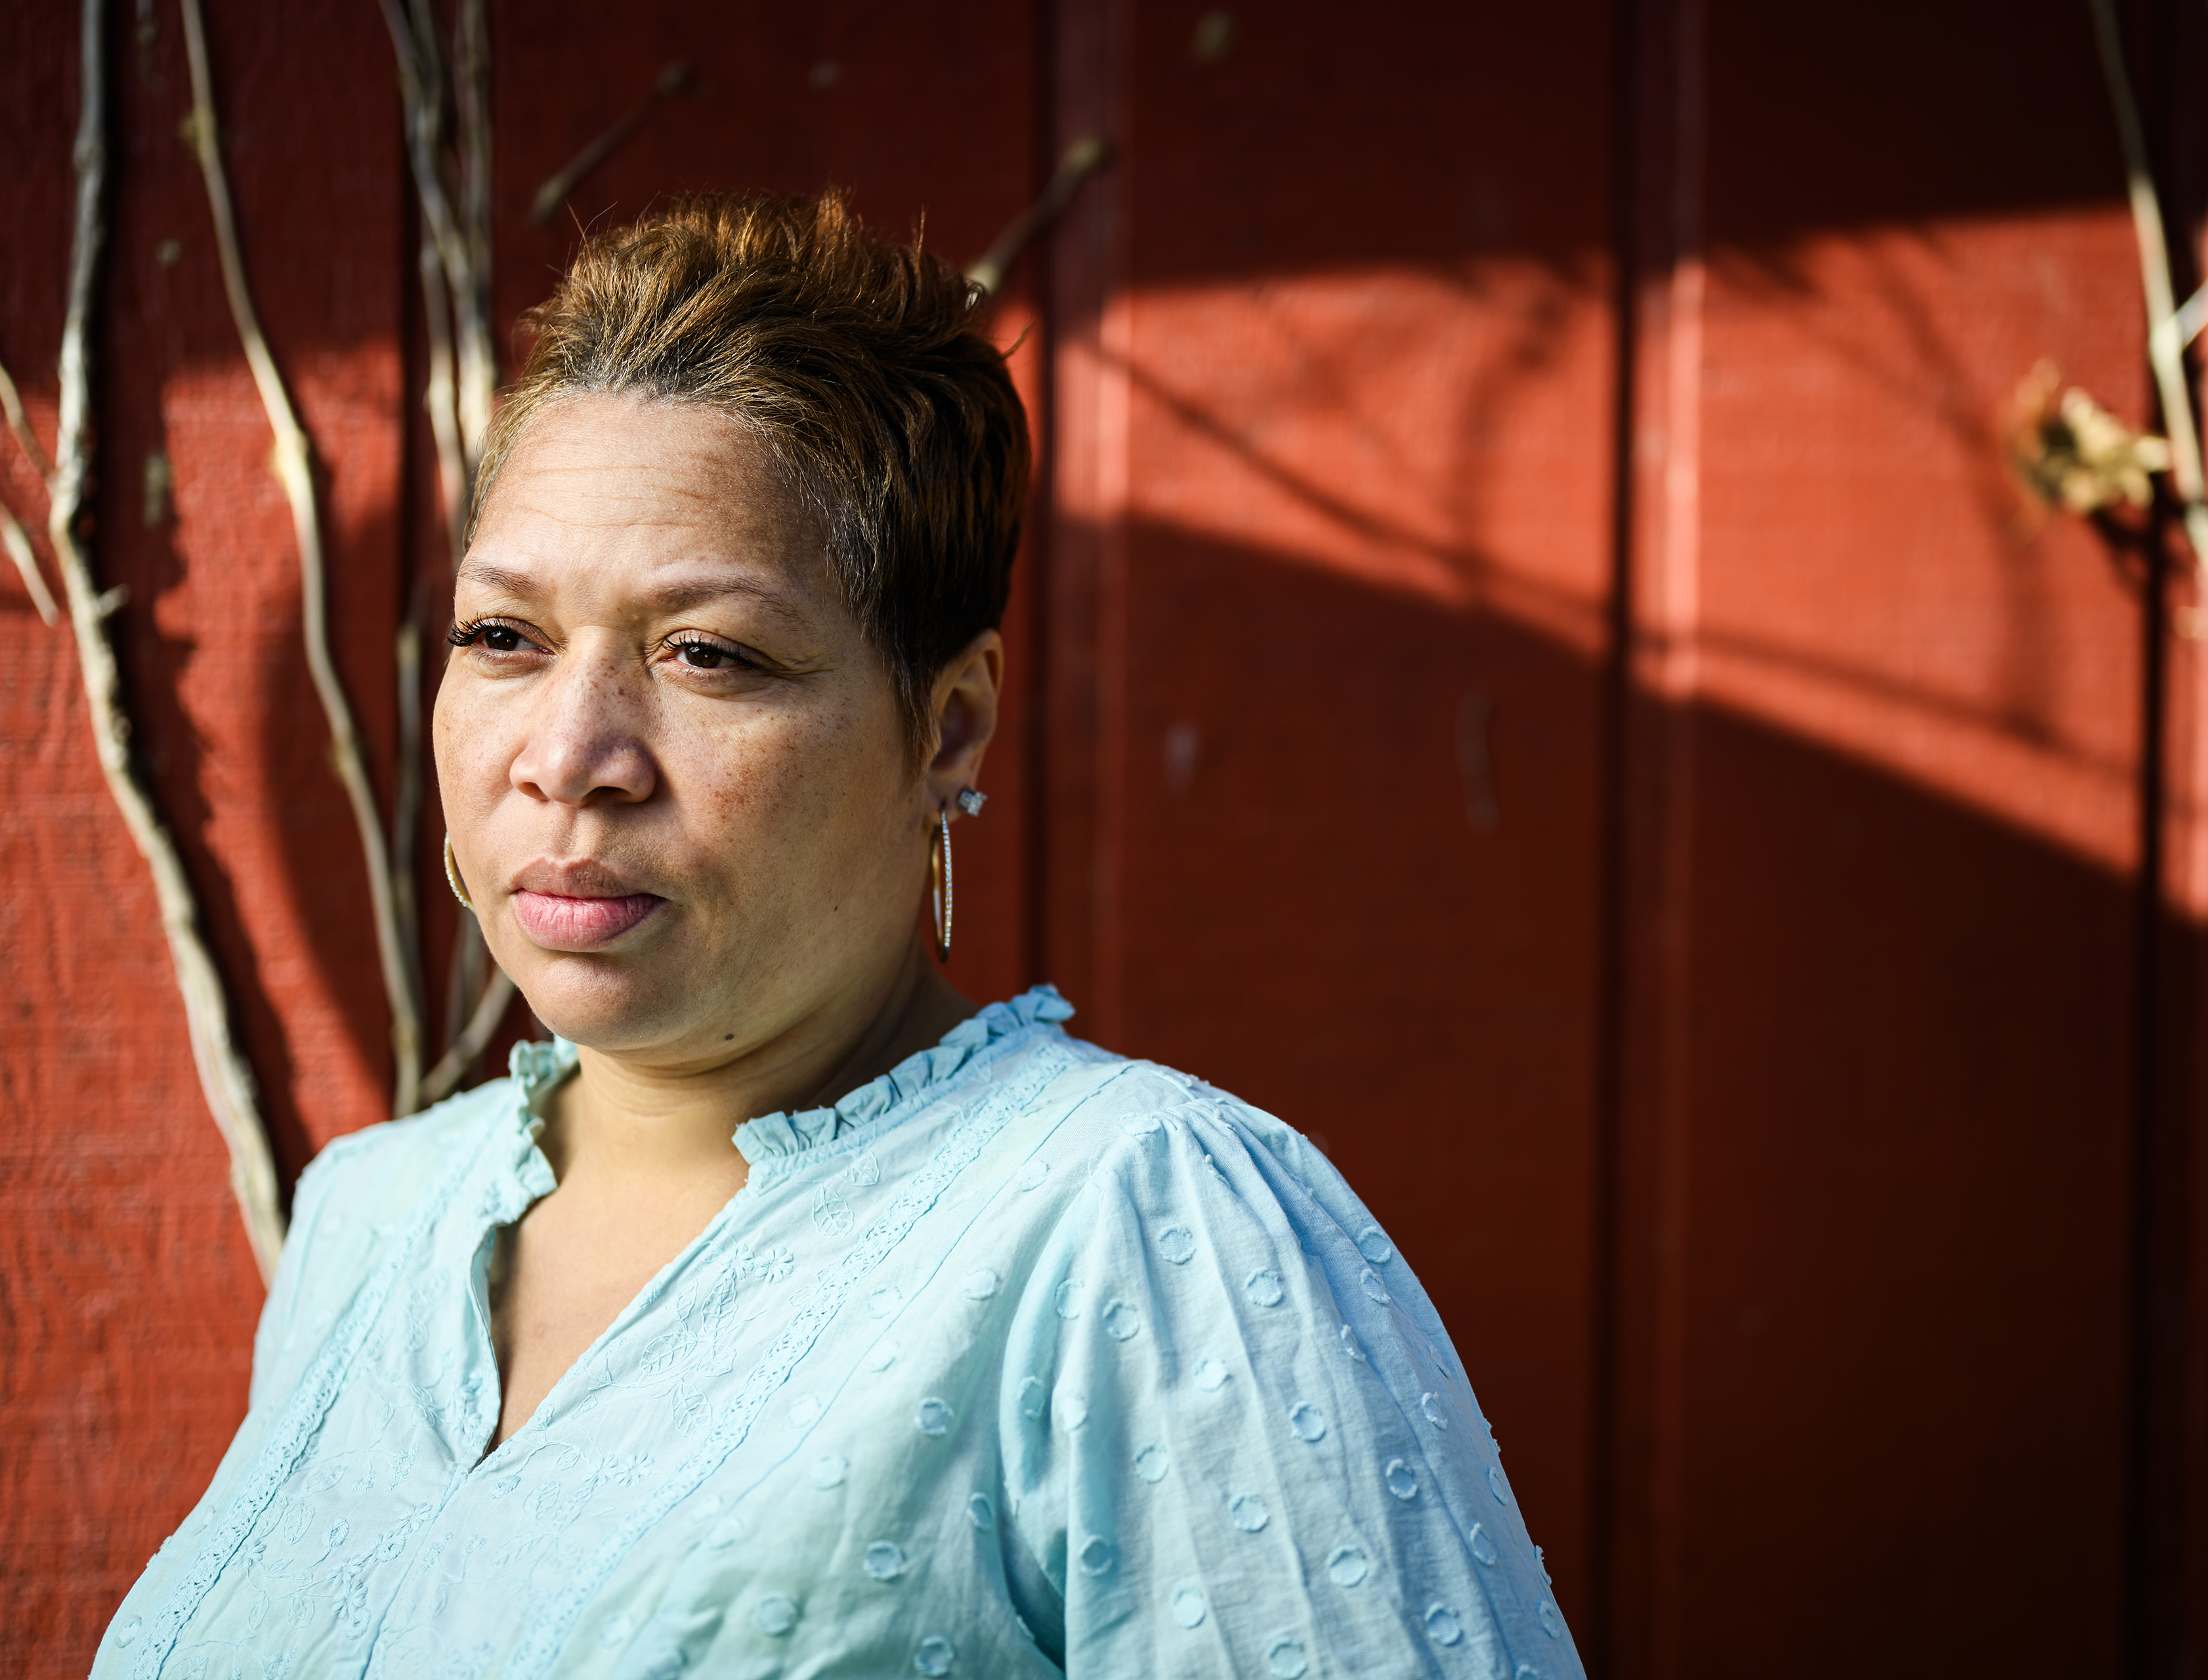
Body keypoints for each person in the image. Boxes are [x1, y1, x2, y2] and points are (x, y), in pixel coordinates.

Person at [96, 191, 1579, 1680]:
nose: (570, 751)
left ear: (947, 726)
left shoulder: (1139, 1222)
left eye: (709, 652)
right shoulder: (372, 1220)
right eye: (506, 636)